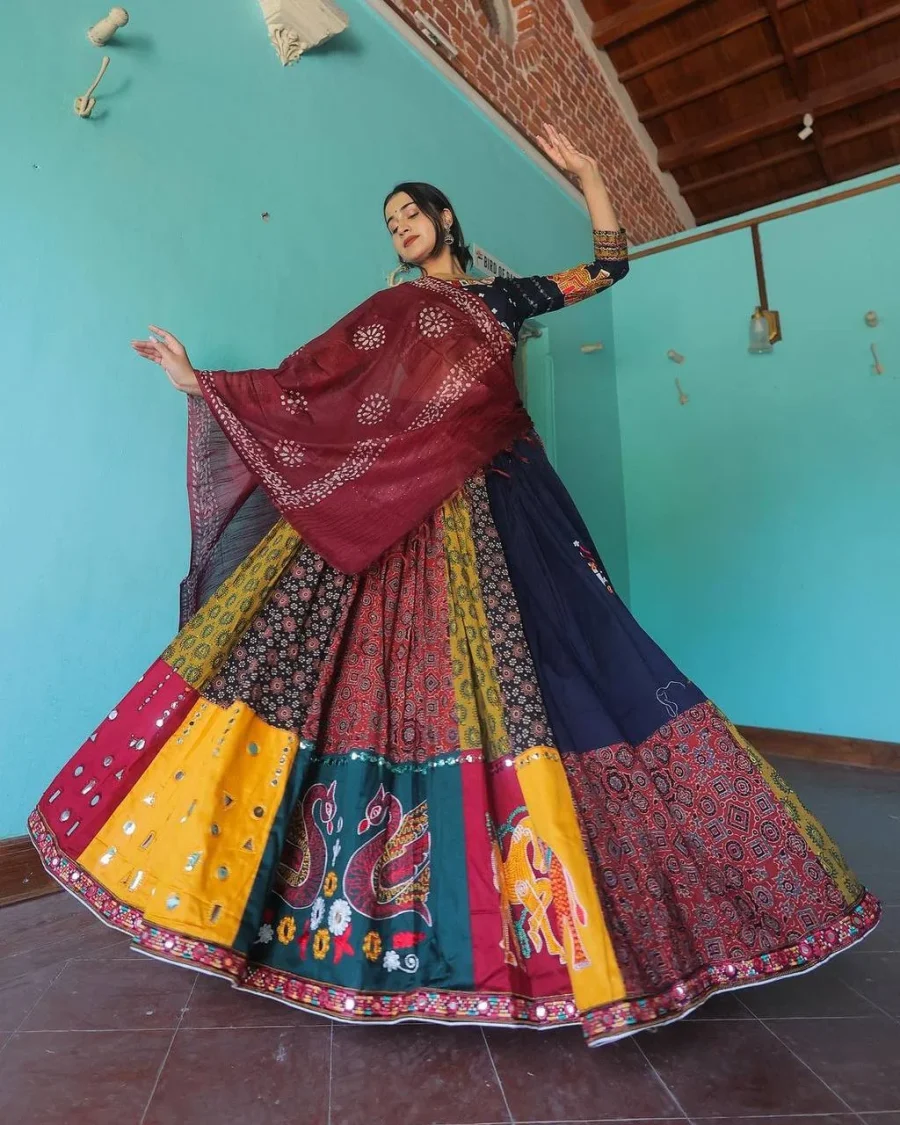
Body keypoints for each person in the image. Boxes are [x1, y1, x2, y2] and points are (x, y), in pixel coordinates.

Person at [29, 124, 879, 1047]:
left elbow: (607, 268)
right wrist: (203, 383)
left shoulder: (496, 299)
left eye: (410, 213)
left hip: (499, 510)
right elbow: (307, 381)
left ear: (445, 219)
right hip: (390, 514)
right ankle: (324, 906)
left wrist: (592, 174)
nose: (398, 226)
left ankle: (563, 920)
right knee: (346, 675)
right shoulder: (385, 317)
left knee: (543, 675)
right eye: (388, 220)